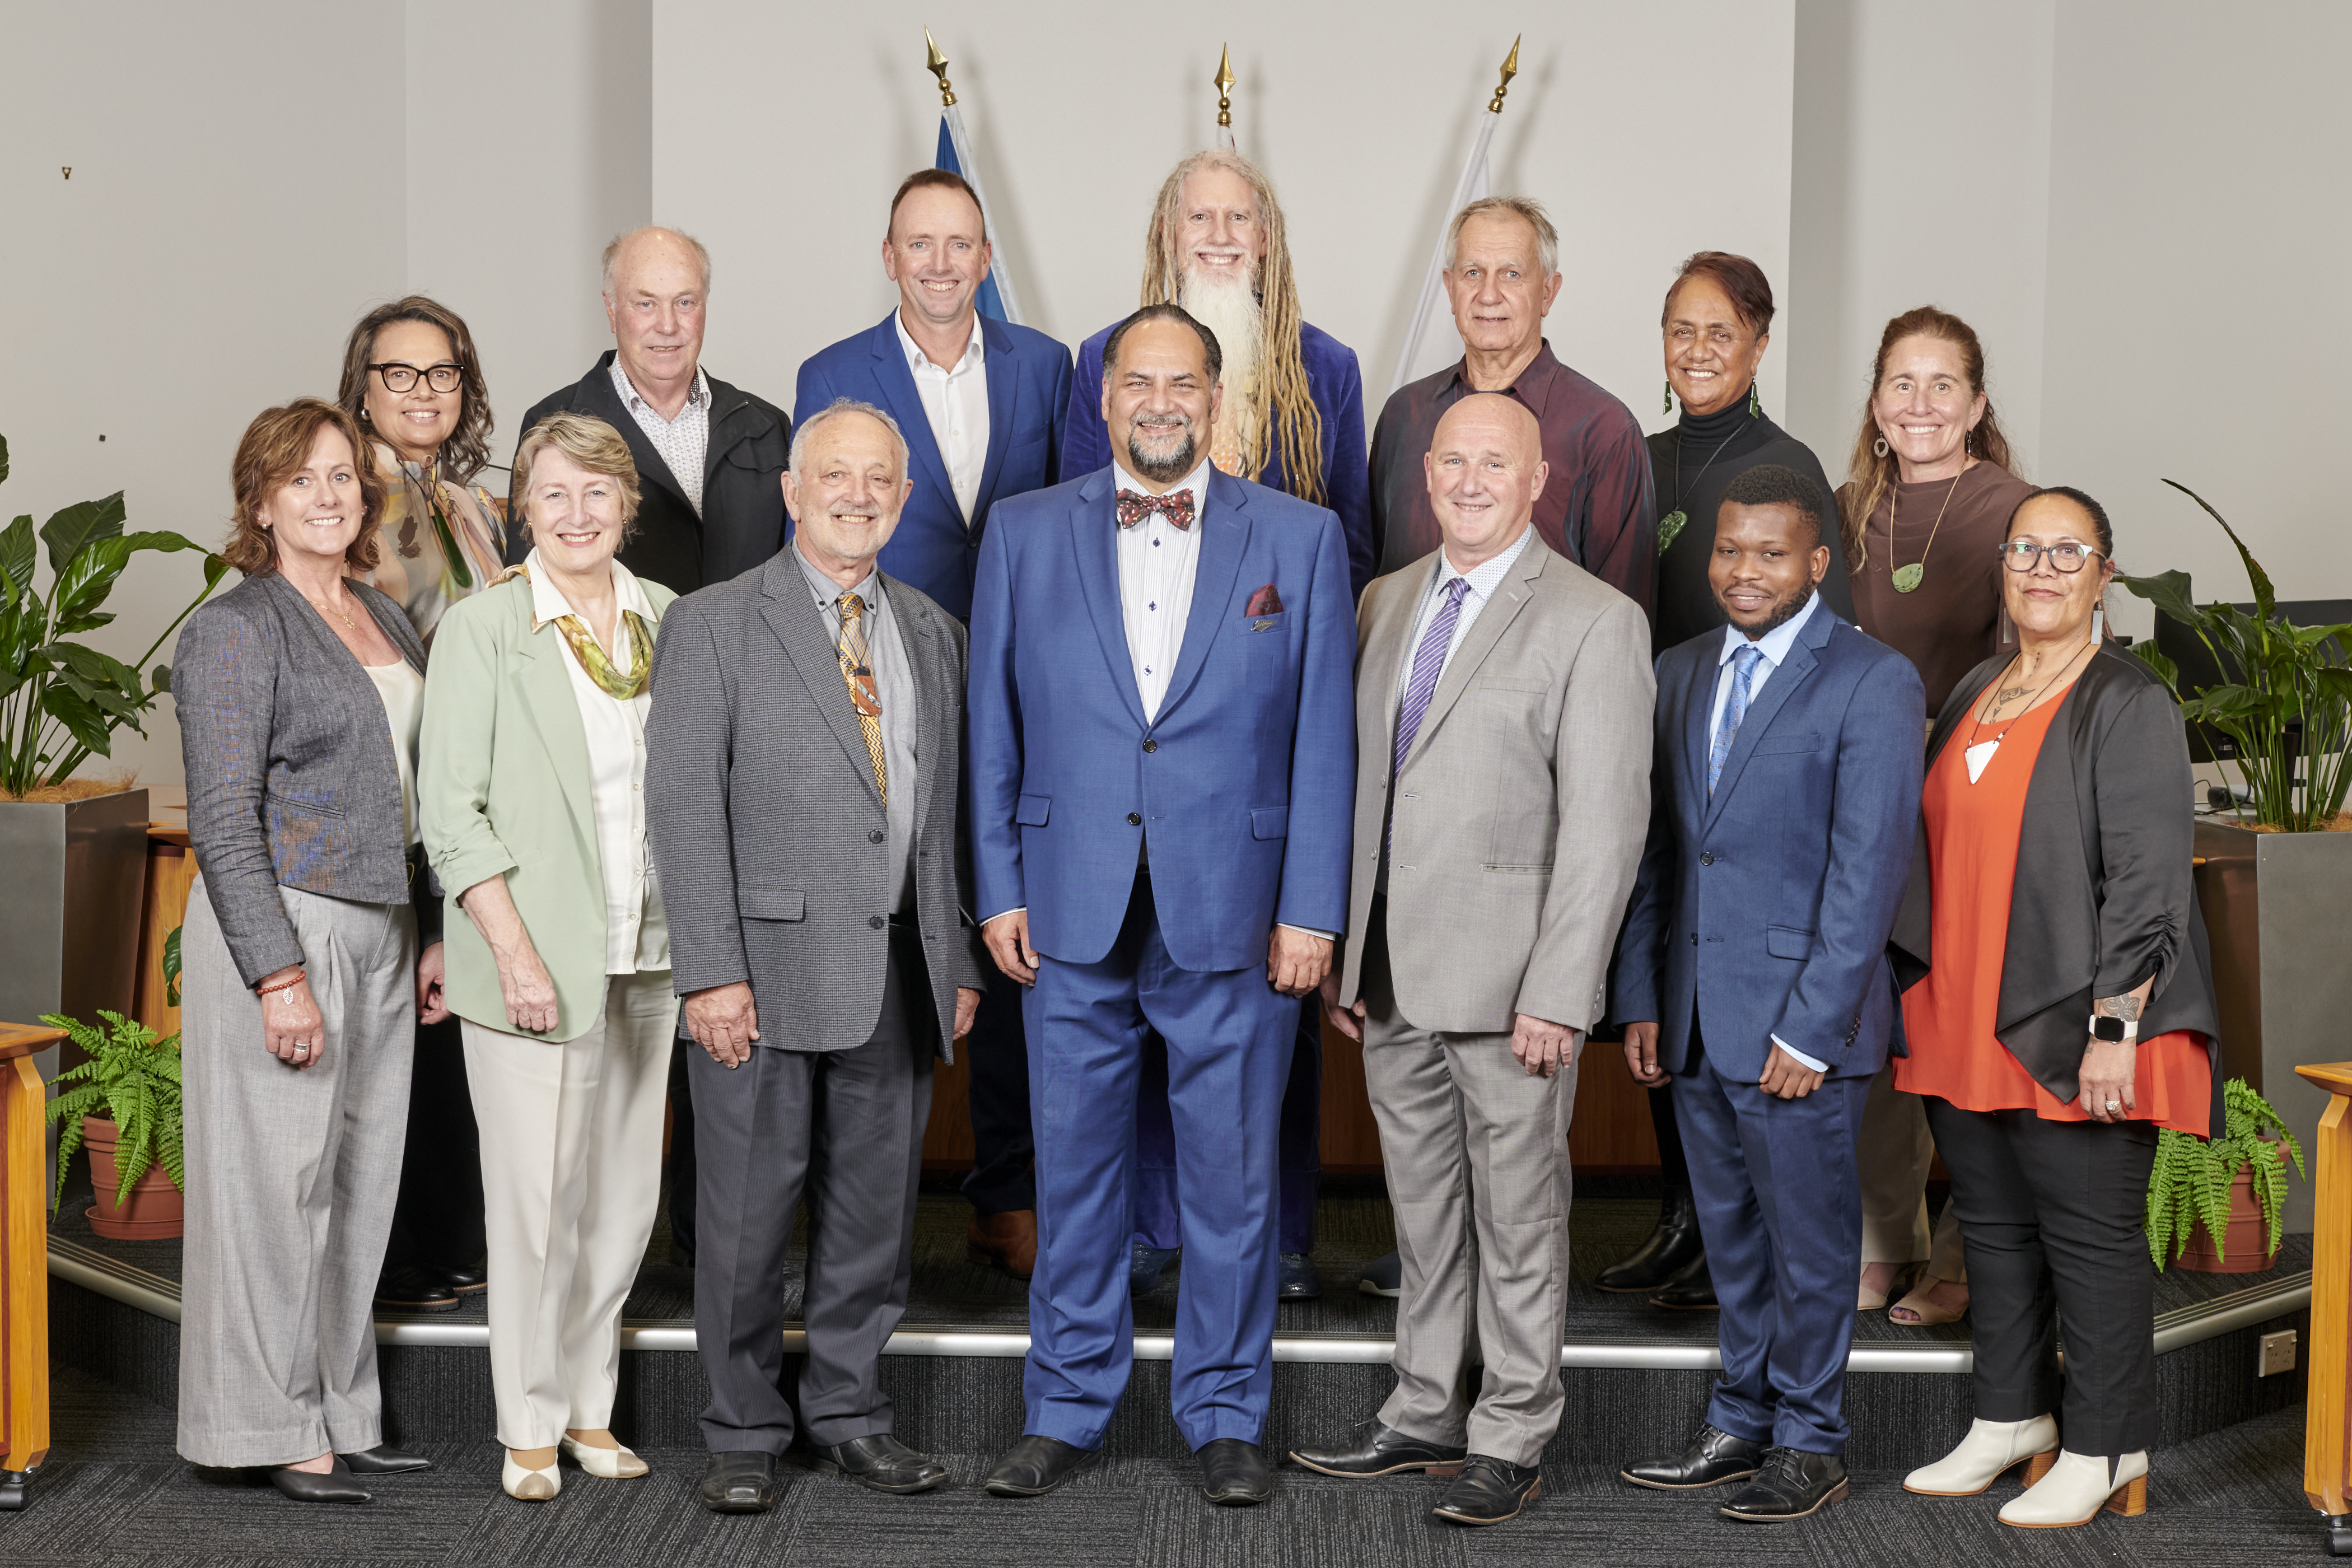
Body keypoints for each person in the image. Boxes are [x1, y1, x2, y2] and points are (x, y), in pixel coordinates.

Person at [969, 305, 1354, 1506]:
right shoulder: (1024, 534)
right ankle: (1066, 1401)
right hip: (1065, 904)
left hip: (1237, 908)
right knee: (1074, 1165)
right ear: (1103, 399)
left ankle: (1227, 1407)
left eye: (1182, 381)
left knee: (1231, 1175)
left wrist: (1314, 908)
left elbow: (1325, 742)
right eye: (1138, 381)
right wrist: (996, 888)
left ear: (1217, 396)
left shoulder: (1303, 539)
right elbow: (994, 724)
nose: (1160, 402)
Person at [1288, 395, 1652, 1527]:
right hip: (1393, 974)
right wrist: (1351, 950)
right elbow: (1365, 787)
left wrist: (1563, 990)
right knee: (1425, 1214)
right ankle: (1422, 1409)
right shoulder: (1386, 599)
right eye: (1454, 460)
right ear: (1426, 476)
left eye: (1496, 461)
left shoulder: (1595, 620)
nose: (1471, 478)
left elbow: (1606, 828)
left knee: (1522, 1217)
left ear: (1539, 476)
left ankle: (1513, 1429)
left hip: (1513, 992)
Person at [645, 398, 985, 1515]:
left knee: (872, 1218)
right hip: (761, 974)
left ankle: (848, 1410)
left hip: (897, 970)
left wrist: (961, 958)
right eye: (834, 474)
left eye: (879, 477)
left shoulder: (934, 630)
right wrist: (710, 970)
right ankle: (742, 1424)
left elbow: (941, 817)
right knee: (744, 1213)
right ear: (793, 491)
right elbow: (685, 807)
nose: (858, 493)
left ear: (905, 494)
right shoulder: (715, 623)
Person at [1058, 150, 1368, 1298]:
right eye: (1203, 214)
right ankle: (1148, 1239)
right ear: (1167, 230)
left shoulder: (1325, 367)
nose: (1223, 231)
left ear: (1269, 234)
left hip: (1256, 752)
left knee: (1255, 1037)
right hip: (1123, 763)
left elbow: (1358, 545)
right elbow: (1073, 551)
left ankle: (1271, 1245)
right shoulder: (1100, 361)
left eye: (1243, 215)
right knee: (1125, 1023)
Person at [1892, 487, 2219, 1529]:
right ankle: (2010, 1418)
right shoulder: (1982, 684)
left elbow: (2151, 881)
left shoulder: (2126, 700)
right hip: (1965, 1011)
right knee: (1989, 1227)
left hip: (2075, 1022)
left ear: (2104, 573)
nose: (2041, 567)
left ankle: (2107, 1440)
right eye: (2025, 548)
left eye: (2066, 550)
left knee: (2090, 1237)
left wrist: (2116, 1027)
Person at [1613, 464, 1924, 1523]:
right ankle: (1741, 1418)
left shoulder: (1872, 680)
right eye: (1729, 551)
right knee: (1731, 1241)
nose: (1744, 572)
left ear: (1817, 563)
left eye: (1771, 553)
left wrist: (1816, 1022)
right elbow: (1661, 853)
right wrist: (1645, 997)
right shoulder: (1681, 670)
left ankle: (1812, 1438)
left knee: (1811, 1244)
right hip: (1696, 1014)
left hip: (1800, 1023)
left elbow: (1868, 871)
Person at [792, 167, 1075, 1282]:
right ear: (889, 254)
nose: (943, 262)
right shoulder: (831, 373)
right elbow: (817, 529)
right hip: (880, 683)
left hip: (1021, 688)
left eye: (962, 244)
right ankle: (858, 1213)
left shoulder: (1047, 368)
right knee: (875, 931)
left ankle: (1006, 1190)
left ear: (986, 258)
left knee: (1010, 936)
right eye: (922, 243)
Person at [172, 398, 441, 1503]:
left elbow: (417, 793)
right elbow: (225, 814)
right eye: (305, 480)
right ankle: (266, 1422)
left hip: (383, 924)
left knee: (359, 1179)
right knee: (272, 1186)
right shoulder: (237, 628)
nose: (331, 494)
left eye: (343, 476)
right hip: (283, 922)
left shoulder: (387, 614)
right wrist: (275, 972)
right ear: (262, 502)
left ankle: (337, 1402)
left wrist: (428, 933)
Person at [511, 226, 792, 1272]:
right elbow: (533, 598)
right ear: (610, 307)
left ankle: (711, 1243)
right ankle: (606, 1260)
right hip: (615, 750)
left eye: (685, 303)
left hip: (751, 747)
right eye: (645, 303)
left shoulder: (764, 426)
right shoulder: (559, 425)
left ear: (707, 306)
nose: (666, 325)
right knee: (624, 1002)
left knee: (723, 992)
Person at [418, 413, 678, 1501]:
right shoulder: (484, 628)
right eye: (554, 494)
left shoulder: (670, 618)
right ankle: (526, 1422)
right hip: (534, 961)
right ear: (524, 508)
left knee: (622, 1201)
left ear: (629, 506)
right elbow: (452, 813)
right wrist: (514, 954)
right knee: (533, 1203)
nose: (577, 515)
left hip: (648, 952)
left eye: (598, 494)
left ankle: (588, 1406)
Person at [1599, 253, 1859, 1314]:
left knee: (1723, 980)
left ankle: (1722, 1233)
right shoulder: (1635, 456)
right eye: (1680, 331)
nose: (1697, 350)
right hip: (1646, 739)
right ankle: (1683, 1210)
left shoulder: (1785, 465)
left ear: (1759, 342)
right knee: (1668, 981)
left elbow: (1820, 643)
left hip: (1744, 759)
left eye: (1720, 332)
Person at [1840, 306, 2035, 1328]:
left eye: (1941, 385)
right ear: (1877, 403)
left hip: (1968, 812)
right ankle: (1884, 1240)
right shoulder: (1841, 511)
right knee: (1873, 1024)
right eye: (1901, 385)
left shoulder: (2016, 510)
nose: (1920, 404)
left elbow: (2035, 670)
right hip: (1865, 812)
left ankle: (1963, 1251)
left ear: (1977, 402)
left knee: (1960, 1031)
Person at [334, 294, 506, 1317]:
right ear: (363, 384)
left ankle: (453, 1245)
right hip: (393, 797)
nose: (422, 391)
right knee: (404, 1030)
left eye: (441, 373)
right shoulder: (344, 498)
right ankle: (402, 1262)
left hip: (477, 794)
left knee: (453, 1022)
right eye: (399, 373)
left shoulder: (477, 506)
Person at [1369, 195, 1653, 610]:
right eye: (1473, 273)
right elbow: (1375, 582)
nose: (1488, 294)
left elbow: (1625, 619)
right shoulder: (1404, 416)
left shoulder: (1604, 430)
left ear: (1548, 293)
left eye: (1512, 274)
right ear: (1450, 289)